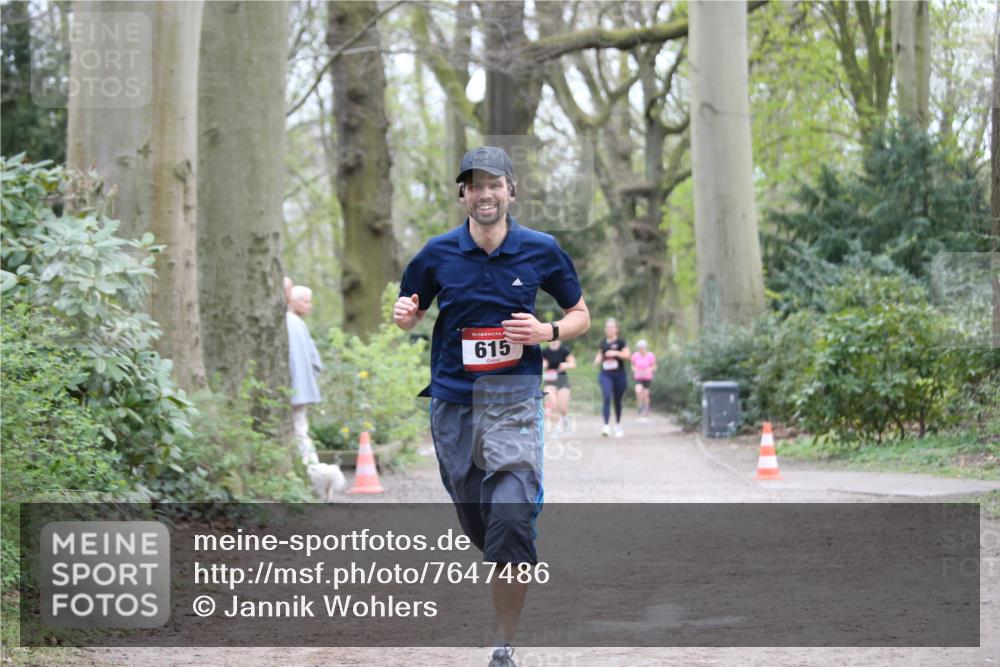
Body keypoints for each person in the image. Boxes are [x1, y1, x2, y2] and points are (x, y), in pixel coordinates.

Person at [393, 146, 590, 667]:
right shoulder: (437, 254)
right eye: (475, 185)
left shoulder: (541, 249)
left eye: (494, 184)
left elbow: (580, 315)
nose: (485, 194)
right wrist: (405, 314)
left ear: (511, 190)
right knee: (478, 518)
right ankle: (510, 547)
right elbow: (408, 308)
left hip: (515, 400)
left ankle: (504, 643)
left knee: (508, 518)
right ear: (464, 194)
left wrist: (546, 331)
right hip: (453, 403)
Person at [286, 285, 323, 465]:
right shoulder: (297, 324)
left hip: (290, 388)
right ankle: (310, 465)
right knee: (300, 428)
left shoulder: (290, 323)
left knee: (298, 428)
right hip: (301, 389)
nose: (309, 306)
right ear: (292, 301)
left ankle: (308, 465)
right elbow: (315, 361)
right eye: (306, 301)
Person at [594, 318, 629, 438]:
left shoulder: (621, 342)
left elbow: (627, 355)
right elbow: (599, 356)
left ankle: (618, 425)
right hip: (606, 375)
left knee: (617, 400)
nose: (608, 329)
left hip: (619, 375)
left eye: (611, 327)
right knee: (607, 397)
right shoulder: (603, 343)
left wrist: (615, 353)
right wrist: (597, 360)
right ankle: (606, 426)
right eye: (607, 327)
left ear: (616, 329)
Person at [541, 340, 575, 433]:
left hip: (562, 381)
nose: (553, 341)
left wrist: (566, 365)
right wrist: (543, 364)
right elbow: (541, 363)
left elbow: (573, 364)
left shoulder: (564, 351)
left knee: (563, 407)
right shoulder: (544, 352)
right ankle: (556, 426)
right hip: (549, 381)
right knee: (553, 404)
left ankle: (564, 417)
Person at [631, 339, 657, 421]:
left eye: (642, 347)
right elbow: (632, 365)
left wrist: (650, 369)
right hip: (638, 377)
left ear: (645, 347)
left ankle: (646, 408)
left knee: (645, 394)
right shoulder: (635, 355)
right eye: (639, 348)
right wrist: (634, 369)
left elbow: (654, 366)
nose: (641, 349)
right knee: (638, 391)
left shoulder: (650, 355)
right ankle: (640, 406)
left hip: (647, 377)